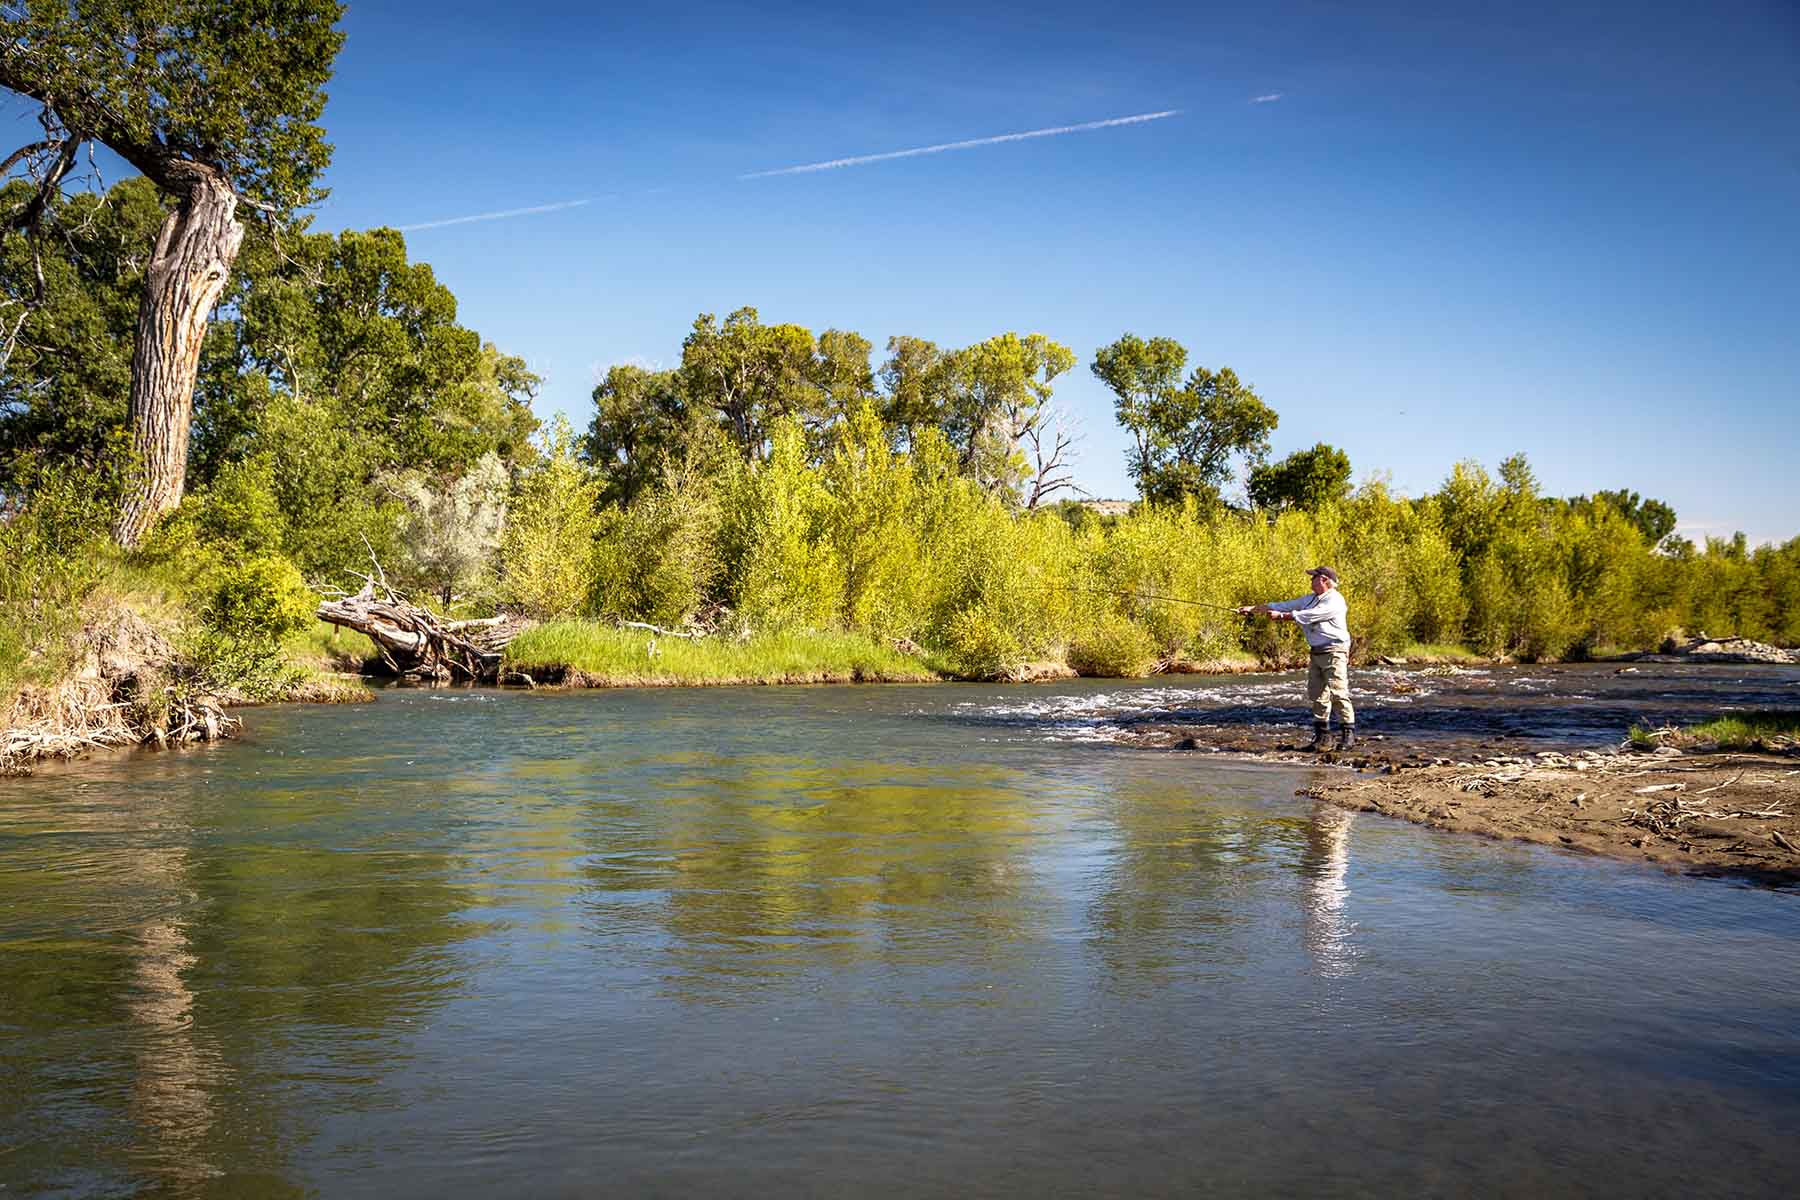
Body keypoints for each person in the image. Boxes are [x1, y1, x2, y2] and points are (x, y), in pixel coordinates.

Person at [1238, 566, 1355, 751]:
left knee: (1339, 692)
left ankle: (1348, 736)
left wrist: (1283, 617)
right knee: (1317, 695)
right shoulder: (1309, 599)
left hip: (1335, 651)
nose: (1310, 581)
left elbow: (1309, 616)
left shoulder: (1335, 601)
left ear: (1324, 579)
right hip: (1316, 652)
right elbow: (1281, 605)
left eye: (1313, 577)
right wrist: (1252, 609)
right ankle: (1323, 737)